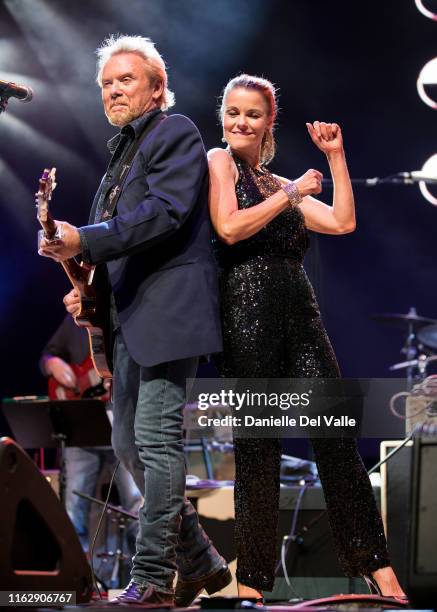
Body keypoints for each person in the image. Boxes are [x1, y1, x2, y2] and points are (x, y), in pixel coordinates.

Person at [38, 34, 231, 606]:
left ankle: (152, 577)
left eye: (126, 79)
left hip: (170, 312)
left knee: (155, 442)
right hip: (129, 319)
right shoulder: (120, 156)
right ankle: (201, 561)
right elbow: (114, 246)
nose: (114, 89)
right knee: (127, 447)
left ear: (156, 89)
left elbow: (164, 214)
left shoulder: (176, 132)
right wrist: (86, 291)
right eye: (106, 83)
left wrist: (86, 238)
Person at [208, 74, 406, 600]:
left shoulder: (275, 183)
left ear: (270, 121)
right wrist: (294, 190)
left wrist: (336, 158)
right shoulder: (219, 162)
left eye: (252, 114)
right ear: (222, 115)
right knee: (258, 446)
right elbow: (228, 227)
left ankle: (376, 566)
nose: (240, 122)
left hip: (300, 314)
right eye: (233, 112)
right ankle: (251, 582)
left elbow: (342, 222)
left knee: (336, 437)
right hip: (245, 313)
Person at [40, 314, 141, 566]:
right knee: (73, 507)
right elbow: (47, 355)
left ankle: (146, 575)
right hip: (81, 428)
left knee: (136, 505)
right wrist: (53, 364)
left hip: (121, 421)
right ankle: (75, 574)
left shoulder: (130, 316)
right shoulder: (76, 318)